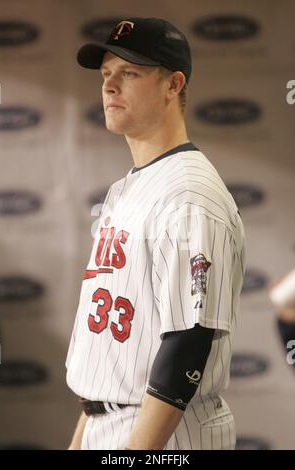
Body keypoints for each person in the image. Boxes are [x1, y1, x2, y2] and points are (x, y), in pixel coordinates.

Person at [65, 17, 246, 450]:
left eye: (130, 73)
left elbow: (188, 343)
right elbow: (105, 352)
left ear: (173, 84)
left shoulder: (189, 194)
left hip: (164, 437)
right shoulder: (128, 188)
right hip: (106, 424)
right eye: (107, 74)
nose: (110, 86)